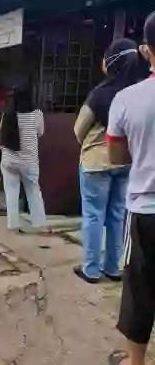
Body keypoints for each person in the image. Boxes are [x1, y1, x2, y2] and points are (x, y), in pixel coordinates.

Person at [106, 12, 155, 365]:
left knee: (140, 291)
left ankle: (135, 363)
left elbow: (117, 156)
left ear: (146, 50)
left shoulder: (126, 99)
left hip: (145, 212)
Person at [73, 38, 140, 284]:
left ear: (112, 62)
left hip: (96, 162)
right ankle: (113, 267)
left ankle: (91, 270)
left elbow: (78, 130)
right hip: (126, 162)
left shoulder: (100, 94)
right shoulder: (138, 92)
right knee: (117, 215)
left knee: (93, 215)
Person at [0, 76, 50, 234]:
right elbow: (40, 133)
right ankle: (40, 225)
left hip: (9, 159)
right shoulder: (37, 114)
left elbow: (3, 133)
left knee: (11, 191)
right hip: (29, 160)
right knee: (33, 190)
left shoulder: (7, 114)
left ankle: (13, 225)